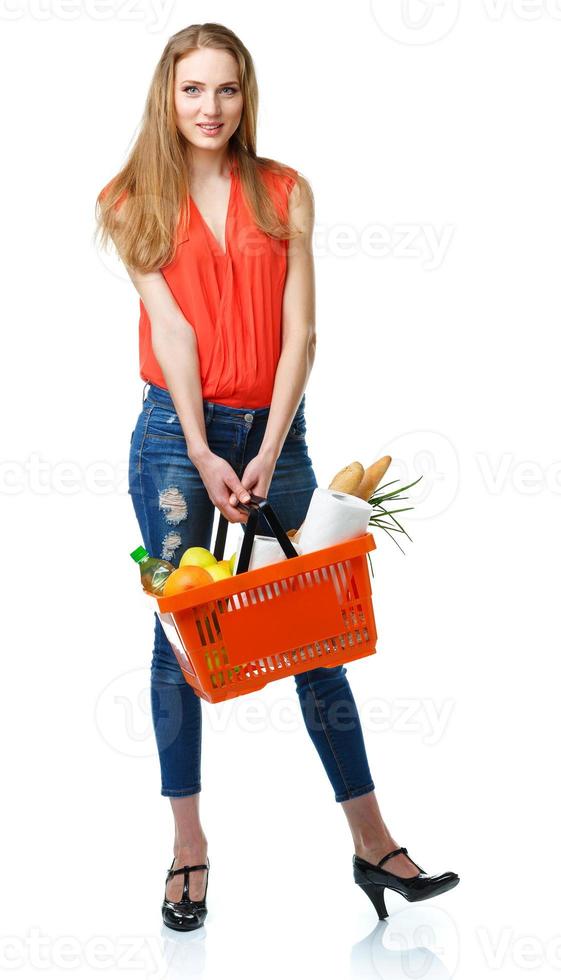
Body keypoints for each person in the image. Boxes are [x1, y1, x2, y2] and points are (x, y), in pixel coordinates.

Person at [95, 22, 459, 932]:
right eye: (191, 91)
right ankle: (188, 848)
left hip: (277, 435)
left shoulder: (285, 191)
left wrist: (267, 444)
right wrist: (207, 448)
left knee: (313, 629)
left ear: (245, 96)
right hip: (176, 442)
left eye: (225, 90)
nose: (209, 108)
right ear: (165, 97)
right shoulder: (129, 198)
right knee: (185, 634)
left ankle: (371, 842)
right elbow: (172, 335)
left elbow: (302, 332)